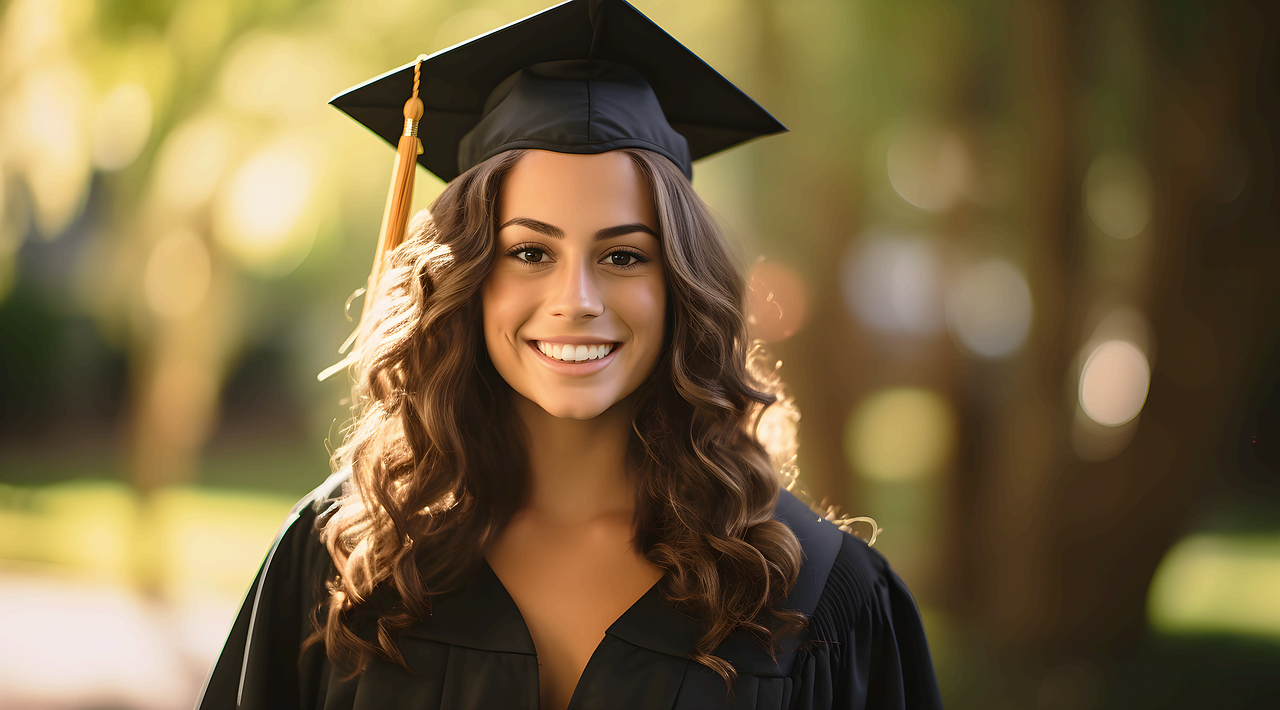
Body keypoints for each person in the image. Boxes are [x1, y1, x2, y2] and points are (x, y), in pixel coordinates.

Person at [196, 1, 943, 709]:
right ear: (465, 277)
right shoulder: (345, 559)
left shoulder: (814, 594)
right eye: (529, 251)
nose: (576, 299)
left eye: (623, 256)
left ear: (682, 286)